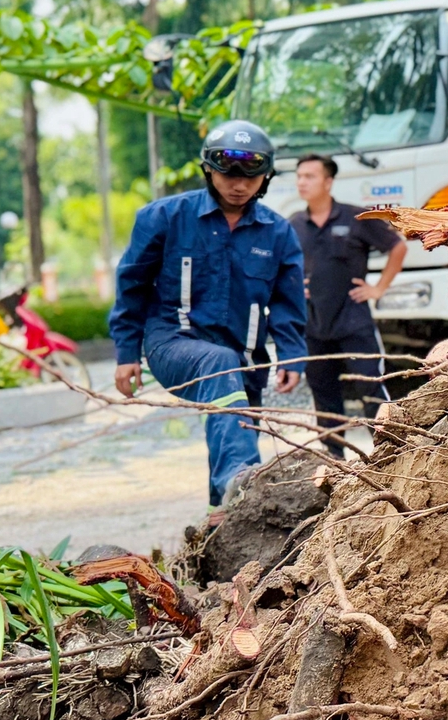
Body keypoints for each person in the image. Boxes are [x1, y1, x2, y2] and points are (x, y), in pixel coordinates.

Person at [110, 121, 307, 506]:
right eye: (227, 174)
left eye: (250, 178)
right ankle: (247, 484)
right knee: (220, 369)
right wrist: (126, 353)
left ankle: (223, 523)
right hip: (174, 343)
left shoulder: (278, 234)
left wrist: (293, 355)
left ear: (264, 178)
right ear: (208, 170)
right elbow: (131, 285)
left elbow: (287, 303)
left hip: (246, 358)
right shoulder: (164, 217)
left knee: (231, 431)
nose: (238, 185)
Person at [290, 154, 407, 456]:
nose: (302, 182)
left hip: (353, 321)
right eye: (299, 176)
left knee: (370, 385)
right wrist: (292, 287)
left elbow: (397, 246)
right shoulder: (294, 225)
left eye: (310, 176)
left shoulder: (355, 218)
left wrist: (378, 288)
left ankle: (390, 453)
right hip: (313, 325)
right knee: (324, 395)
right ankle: (334, 460)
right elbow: (280, 266)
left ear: (328, 182)